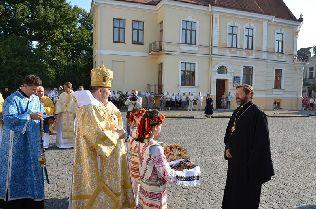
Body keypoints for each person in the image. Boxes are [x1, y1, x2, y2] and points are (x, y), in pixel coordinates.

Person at [69, 65, 135, 209]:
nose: (110, 93)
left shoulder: (108, 106)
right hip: (97, 160)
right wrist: (118, 134)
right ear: (100, 90)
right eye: (108, 90)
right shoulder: (88, 108)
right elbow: (96, 135)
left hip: (114, 157)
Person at [222, 84, 274, 209]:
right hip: (234, 163)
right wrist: (227, 148)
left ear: (249, 94)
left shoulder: (258, 115)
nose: (237, 97)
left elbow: (262, 144)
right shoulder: (236, 112)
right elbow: (229, 133)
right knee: (233, 193)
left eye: (240, 94)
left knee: (247, 197)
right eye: (236, 94)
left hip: (248, 166)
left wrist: (251, 164)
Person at [0, 75, 46, 209]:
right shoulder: (12, 99)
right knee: (16, 171)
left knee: (34, 169)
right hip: (15, 145)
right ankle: (14, 202)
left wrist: (46, 119)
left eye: (36, 90)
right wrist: (29, 116)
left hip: (33, 142)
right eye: (32, 89)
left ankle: (34, 200)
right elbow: (8, 120)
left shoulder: (35, 99)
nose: (34, 92)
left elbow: (41, 112)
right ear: (24, 86)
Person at [127, 109, 181, 208]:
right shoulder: (155, 148)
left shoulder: (141, 142)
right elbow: (167, 175)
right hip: (156, 196)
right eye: (160, 125)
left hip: (144, 192)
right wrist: (186, 174)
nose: (161, 127)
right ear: (156, 127)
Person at [55, 82, 78, 149]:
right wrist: (60, 110)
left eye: (65, 88)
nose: (64, 89)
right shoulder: (62, 94)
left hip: (71, 114)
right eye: (64, 87)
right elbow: (59, 103)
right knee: (62, 128)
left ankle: (71, 144)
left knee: (72, 128)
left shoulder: (75, 95)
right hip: (63, 114)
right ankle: (62, 144)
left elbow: (77, 104)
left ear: (69, 87)